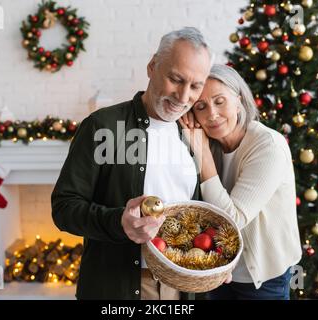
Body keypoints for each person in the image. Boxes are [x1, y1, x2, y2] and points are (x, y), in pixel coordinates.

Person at [51, 27, 212, 300]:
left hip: (180, 287)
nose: (184, 97)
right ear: (152, 67)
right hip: (118, 286)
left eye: (195, 86)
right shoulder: (104, 127)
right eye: (175, 79)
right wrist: (118, 222)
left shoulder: (194, 134)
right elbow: (64, 207)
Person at [179, 64, 302, 300]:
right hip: (219, 268)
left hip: (263, 278)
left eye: (219, 101)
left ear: (238, 100)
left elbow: (232, 220)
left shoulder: (268, 146)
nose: (211, 114)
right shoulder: (205, 142)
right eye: (200, 106)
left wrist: (202, 153)